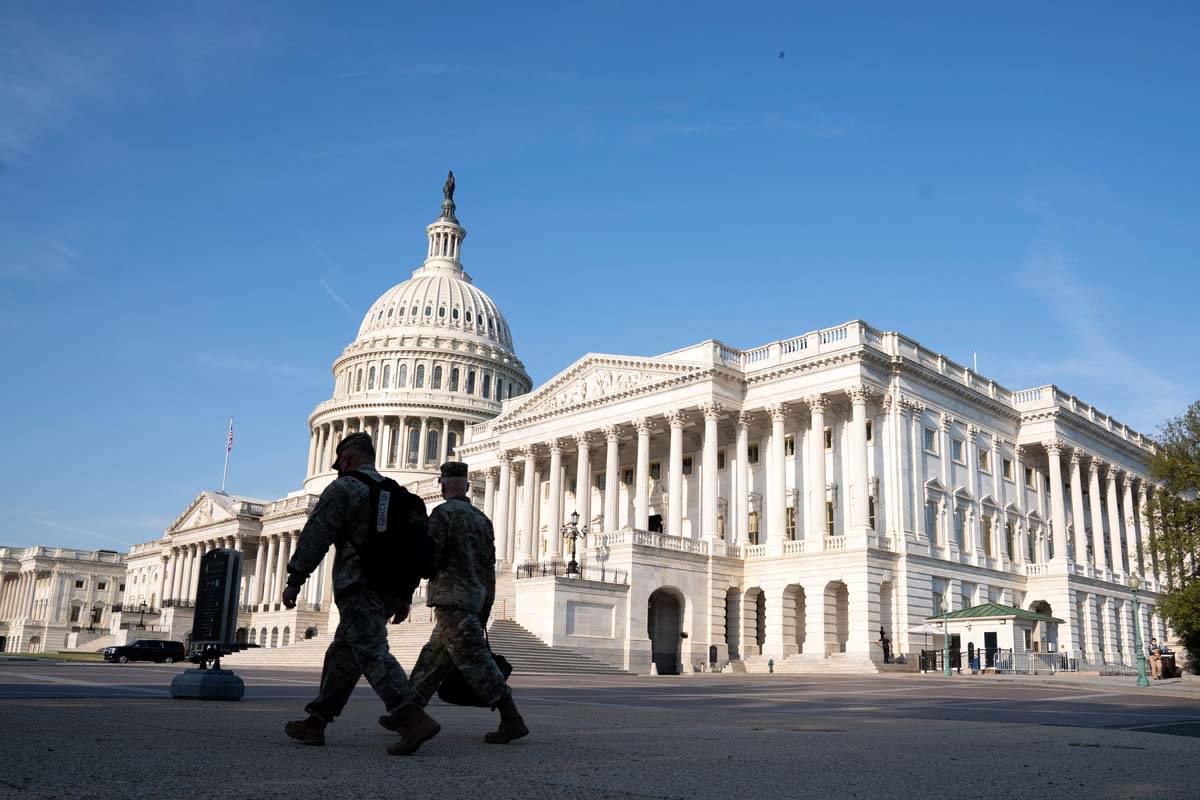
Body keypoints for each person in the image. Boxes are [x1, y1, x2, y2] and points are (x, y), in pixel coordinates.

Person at [281, 432, 440, 752]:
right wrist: (405, 595)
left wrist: (296, 577)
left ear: (348, 459)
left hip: (359, 585)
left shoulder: (345, 488)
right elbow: (415, 548)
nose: (337, 467)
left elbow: (316, 535)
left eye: (339, 461)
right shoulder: (399, 495)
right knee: (343, 653)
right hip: (390, 588)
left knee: (370, 651)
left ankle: (411, 716)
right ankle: (317, 721)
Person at [387, 461, 527, 756]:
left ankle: (511, 718)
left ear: (441, 485)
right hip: (474, 598)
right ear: (465, 486)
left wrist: (408, 585)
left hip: (452, 598)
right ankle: (407, 712)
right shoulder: (482, 520)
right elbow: (489, 567)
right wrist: (485, 604)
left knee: (474, 660)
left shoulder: (443, 514)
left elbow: (429, 558)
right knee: (433, 658)